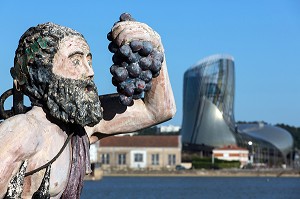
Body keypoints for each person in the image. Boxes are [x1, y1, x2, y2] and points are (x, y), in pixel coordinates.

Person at [0, 16, 176, 198]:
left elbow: (158, 110)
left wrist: (155, 47)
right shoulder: (21, 132)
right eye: (75, 61)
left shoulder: (80, 129)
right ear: (40, 70)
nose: (90, 72)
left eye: (89, 61)